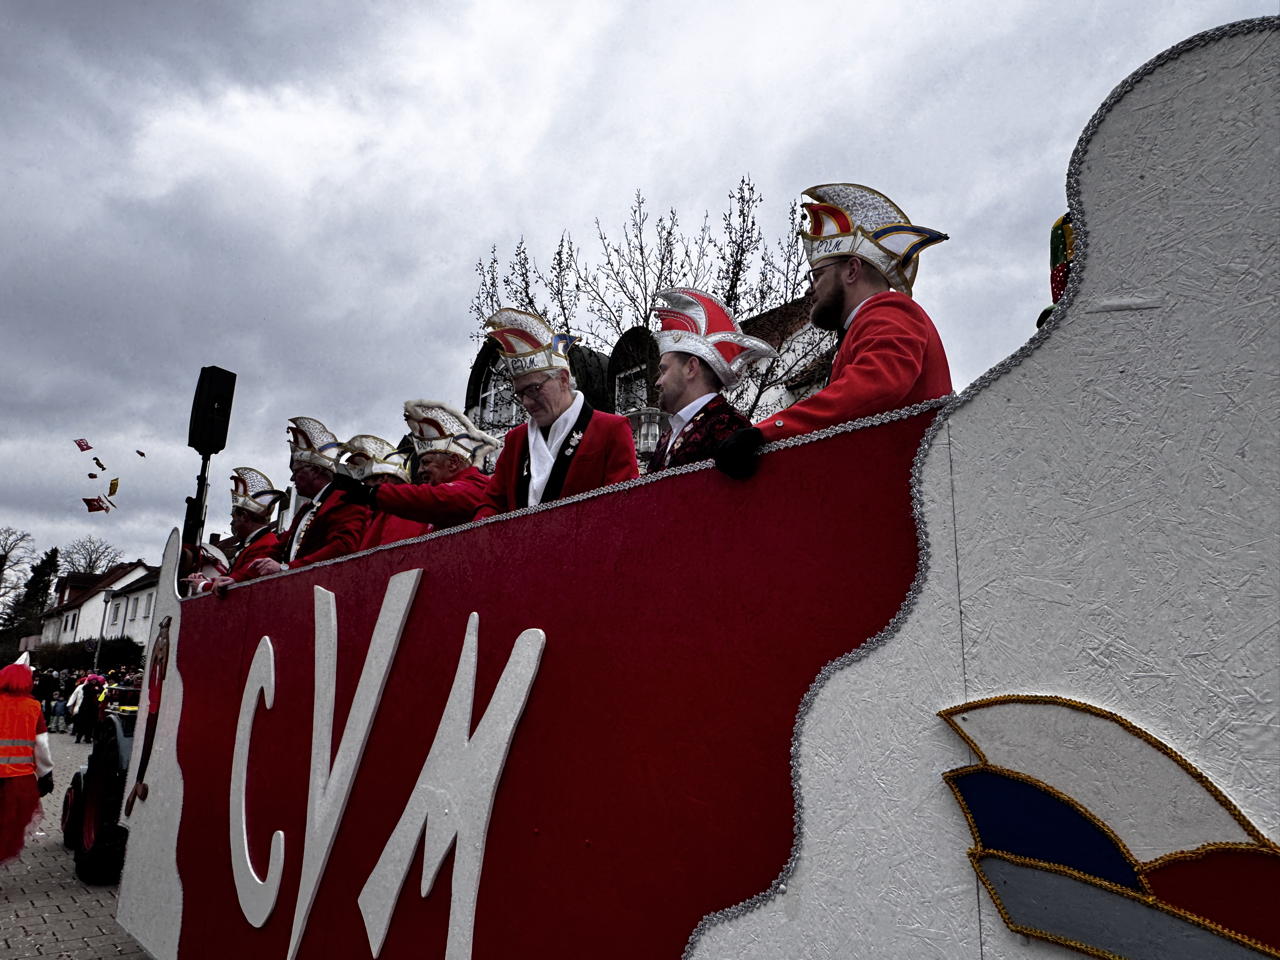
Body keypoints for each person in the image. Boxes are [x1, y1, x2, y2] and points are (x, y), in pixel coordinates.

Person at [716, 183, 953, 479]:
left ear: (852, 271)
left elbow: (875, 385)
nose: (809, 289)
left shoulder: (890, 310)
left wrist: (769, 431)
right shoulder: (863, 326)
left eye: (817, 275)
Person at [476, 308, 638, 515]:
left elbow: (623, 506)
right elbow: (491, 504)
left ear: (562, 379)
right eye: (520, 394)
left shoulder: (610, 429)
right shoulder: (516, 440)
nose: (526, 402)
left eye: (534, 389)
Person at [648, 288, 776, 472]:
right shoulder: (668, 436)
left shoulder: (728, 426)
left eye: (664, 370)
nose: (658, 382)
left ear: (691, 368)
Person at [335, 402, 499, 531]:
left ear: (453, 463)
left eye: (426, 462)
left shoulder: (477, 486)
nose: (420, 471)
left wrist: (372, 493)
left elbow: (438, 497)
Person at [250, 417, 370, 577]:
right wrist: (233, 578)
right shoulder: (306, 509)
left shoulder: (345, 499)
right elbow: (277, 551)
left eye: (296, 472)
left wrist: (287, 568)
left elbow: (343, 547)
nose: (292, 479)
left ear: (314, 471)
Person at [188, 467, 285, 595]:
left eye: (234, 517)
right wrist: (208, 579)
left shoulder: (264, 545)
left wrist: (202, 586)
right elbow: (236, 576)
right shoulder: (257, 542)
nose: (231, 523)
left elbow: (240, 583)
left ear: (244, 516)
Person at [0, 657, 54, 865]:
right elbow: (41, 745)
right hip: (18, 779)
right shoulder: (33, 707)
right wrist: (46, 773)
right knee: (8, 824)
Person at [336, 434, 432, 549]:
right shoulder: (375, 514)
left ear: (383, 479)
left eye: (367, 483)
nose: (364, 488)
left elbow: (394, 553)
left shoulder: (401, 512)